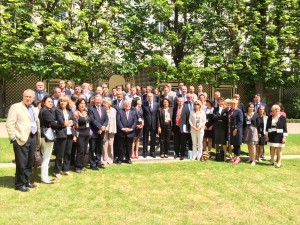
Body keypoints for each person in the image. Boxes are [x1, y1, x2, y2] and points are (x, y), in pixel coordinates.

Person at [6, 89, 40, 192]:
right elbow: (9, 123)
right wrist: (13, 138)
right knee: (21, 163)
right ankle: (19, 184)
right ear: (23, 96)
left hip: (32, 137)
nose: (28, 98)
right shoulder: (16, 107)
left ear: (33, 98)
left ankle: (27, 181)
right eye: (26, 96)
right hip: (21, 138)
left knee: (30, 161)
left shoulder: (34, 108)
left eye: (30, 97)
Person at [54, 96, 77, 179]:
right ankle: (56, 171)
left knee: (68, 153)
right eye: (61, 101)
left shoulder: (70, 111)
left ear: (67, 102)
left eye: (64, 101)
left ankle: (65, 170)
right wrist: (66, 123)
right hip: (61, 134)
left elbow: (74, 121)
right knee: (60, 154)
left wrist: (69, 122)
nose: (62, 102)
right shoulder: (57, 110)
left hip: (70, 134)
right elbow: (61, 122)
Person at [38, 96, 59, 184]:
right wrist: (55, 123)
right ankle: (44, 178)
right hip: (47, 136)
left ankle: (45, 176)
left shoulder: (44, 110)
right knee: (46, 158)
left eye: (51, 102)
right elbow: (54, 124)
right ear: (44, 102)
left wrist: (53, 123)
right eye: (48, 101)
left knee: (45, 157)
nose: (50, 103)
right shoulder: (45, 111)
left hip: (43, 136)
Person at [88, 95, 108, 170]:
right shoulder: (91, 109)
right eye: (97, 100)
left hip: (101, 132)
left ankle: (98, 162)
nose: (99, 102)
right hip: (94, 132)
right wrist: (100, 127)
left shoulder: (103, 109)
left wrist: (103, 127)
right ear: (94, 101)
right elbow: (92, 120)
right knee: (92, 149)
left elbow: (106, 119)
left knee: (99, 148)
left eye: (100, 100)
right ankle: (92, 164)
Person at [116, 100, 137, 164]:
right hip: (122, 132)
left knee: (129, 146)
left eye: (129, 104)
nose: (128, 105)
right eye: (126, 104)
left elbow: (135, 121)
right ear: (124, 105)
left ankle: (128, 158)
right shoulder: (120, 111)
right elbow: (118, 120)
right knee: (121, 146)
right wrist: (122, 128)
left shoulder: (133, 112)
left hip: (130, 132)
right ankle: (120, 159)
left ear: (130, 105)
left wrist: (131, 129)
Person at [73, 98, 90, 173]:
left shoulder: (86, 112)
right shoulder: (76, 113)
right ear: (78, 104)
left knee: (84, 150)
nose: (83, 105)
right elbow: (74, 126)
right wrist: (74, 135)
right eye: (81, 103)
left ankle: (81, 165)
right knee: (80, 150)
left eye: (84, 103)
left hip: (87, 134)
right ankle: (77, 167)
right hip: (80, 134)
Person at [142, 92, 159, 158]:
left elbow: (157, 115)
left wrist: (158, 125)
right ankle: (145, 152)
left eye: (151, 96)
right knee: (145, 139)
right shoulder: (143, 104)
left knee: (153, 139)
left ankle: (152, 152)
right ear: (146, 97)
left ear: (153, 97)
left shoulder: (157, 104)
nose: (149, 97)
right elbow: (142, 114)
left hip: (154, 124)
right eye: (148, 96)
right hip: (146, 124)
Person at [172, 96, 190, 160]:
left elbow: (188, 119)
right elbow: (173, 118)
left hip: (183, 128)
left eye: (181, 101)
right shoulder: (175, 109)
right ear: (177, 102)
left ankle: (182, 154)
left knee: (183, 142)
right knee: (176, 142)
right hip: (176, 127)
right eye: (178, 101)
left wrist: (188, 128)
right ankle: (176, 154)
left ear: (183, 102)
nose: (180, 102)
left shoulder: (186, 109)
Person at [102, 97, 117, 165]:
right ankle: (104, 159)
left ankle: (110, 159)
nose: (104, 104)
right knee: (105, 144)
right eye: (104, 103)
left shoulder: (114, 110)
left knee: (111, 144)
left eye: (106, 103)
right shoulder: (102, 110)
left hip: (112, 129)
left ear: (109, 104)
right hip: (104, 129)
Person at [228, 99, 243, 164]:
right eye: (231, 104)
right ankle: (235, 156)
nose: (233, 105)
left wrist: (236, 129)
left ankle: (238, 158)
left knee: (237, 144)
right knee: (234, 144)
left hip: (237, 130)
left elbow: (240, 121)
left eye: (234, 104)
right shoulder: (230, 111)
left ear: (237, 104)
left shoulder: (239, 111)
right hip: (231, 129)